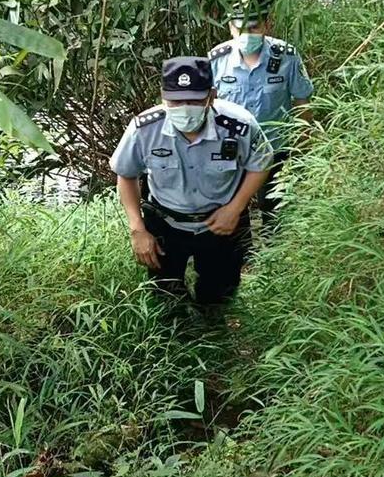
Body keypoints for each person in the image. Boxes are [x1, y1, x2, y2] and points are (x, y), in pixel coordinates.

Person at [109, 57, 273, 305]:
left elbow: (261, 163)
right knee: (164, 296)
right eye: (175, 101)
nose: (185, 108)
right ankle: (177, 334)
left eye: (195, 100)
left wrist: (235, 208)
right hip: (166, 223)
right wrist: (138, 230)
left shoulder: (239, 125)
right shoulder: (144, 129)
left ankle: (215, 329)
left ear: (211, 95)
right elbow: (126, 174)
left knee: (220, 294)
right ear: (163, 96)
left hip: (223, 222)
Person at [208, 0, 313, 224]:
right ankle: (243, 258)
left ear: (267, 25)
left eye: (254, 27)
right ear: (230, 28)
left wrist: (302, 144)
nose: (247, 34)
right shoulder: (217, 60)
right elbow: (207, 105)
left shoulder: (286, 56)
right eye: (240, 28)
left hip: (275, 148)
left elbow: (302, 100)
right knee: (232, 212)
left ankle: (273, 256)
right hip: (231, 150)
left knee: (274, 212)